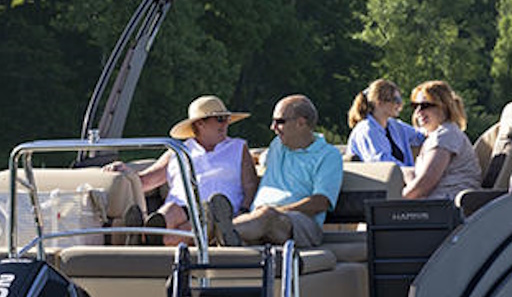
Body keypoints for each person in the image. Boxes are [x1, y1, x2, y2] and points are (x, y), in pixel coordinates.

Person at [108, 95, 258, 239]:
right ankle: (146, 235)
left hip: (217, 216)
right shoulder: (178, 151)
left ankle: (142, 237)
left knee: (190, 228)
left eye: (227, 119)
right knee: (171, 211)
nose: (225, 124)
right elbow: (146, 181)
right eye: (220, 119)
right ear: (200, 123)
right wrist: (125, 171)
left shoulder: (238, 147)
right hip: (181, 210)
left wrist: (243, 213)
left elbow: (250, 186)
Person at [222, 94, 344, 247]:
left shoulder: (328, 155)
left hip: (300, 223)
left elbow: (321, 202)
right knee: (258, 222)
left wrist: (279, 211)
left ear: (301, 122)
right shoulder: (277, 145)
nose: (272, 127)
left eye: (279, 122)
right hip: (258, 220)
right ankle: (221, 234)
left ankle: (213, 235)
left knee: (266, 216)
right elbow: (259, 158)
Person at [401, 81, 483, 200]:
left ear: (444, 107)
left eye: (425, 106)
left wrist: (396, 199)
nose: (418, 112)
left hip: (447, 205)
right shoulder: (438, 135)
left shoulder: (446, 134)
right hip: (439, 202)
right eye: (415, 106)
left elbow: (425, 184)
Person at [345, 79, 424, 165]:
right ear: (378, 102)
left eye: (400, 100)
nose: (400, 104)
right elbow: (382, 163)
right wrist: (413, 171)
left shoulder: (394, 126)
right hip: (376, 174)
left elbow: (420, 137)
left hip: (399, 173)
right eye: (396, 100)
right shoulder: (367, 130)